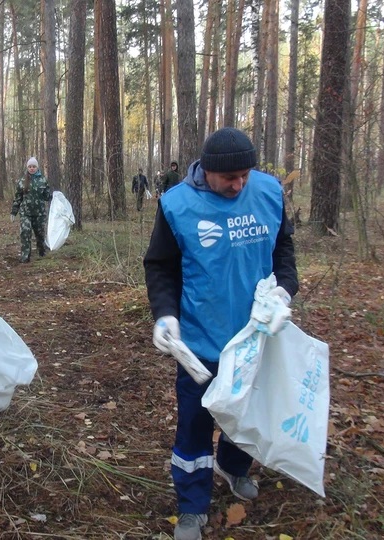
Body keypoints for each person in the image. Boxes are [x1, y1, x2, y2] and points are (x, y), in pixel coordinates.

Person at [143, 127, 298, 540]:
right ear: (207, 172)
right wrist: (165, 315)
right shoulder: (177, 205)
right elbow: (160, 266)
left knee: (246, 415)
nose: (239, 184)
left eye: (245, 175)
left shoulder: (268, 192)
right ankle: (192, 505)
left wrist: (285, 290)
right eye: (230, 178)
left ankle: (234, 465)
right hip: (200, 340)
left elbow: (284, 251)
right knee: (194, 424)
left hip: (255, 338)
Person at [10, 157, 50, 263]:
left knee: (40, 234)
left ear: (37, 167)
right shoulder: (22, 181)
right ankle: (25, 256)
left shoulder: (43, 180)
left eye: (34, 167)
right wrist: (14, 212)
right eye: (30, 167)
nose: (32, 168)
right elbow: (18, 198)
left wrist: (54, 197)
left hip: (39, 213)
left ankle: (42, 252)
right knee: (25, 232)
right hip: (25, 213)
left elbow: (47, 196)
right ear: (27, 167)